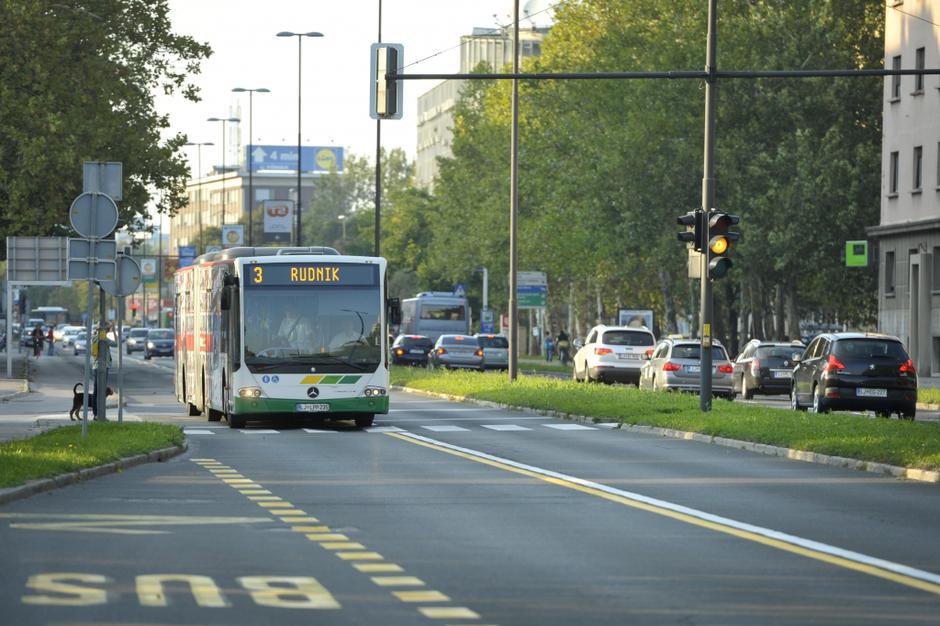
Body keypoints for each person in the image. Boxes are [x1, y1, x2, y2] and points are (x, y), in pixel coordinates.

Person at [90, 322, 113, 419]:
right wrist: (115, 332)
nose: (108, 330)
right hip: (103, 366)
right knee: (101, 391)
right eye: (108, 329)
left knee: (96, 391)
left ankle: (96, 414)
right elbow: (116, 344)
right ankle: (99, 414)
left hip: (96, 366)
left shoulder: (95, 337)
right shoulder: (103, 338)